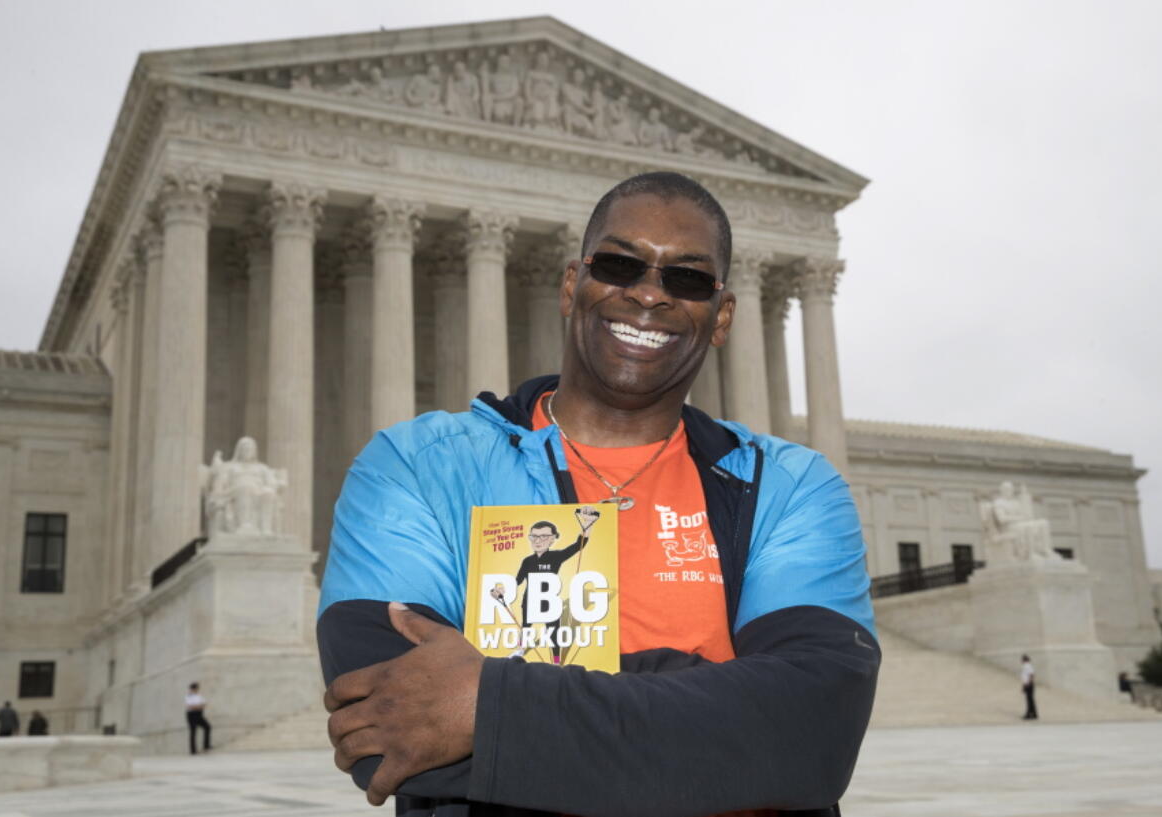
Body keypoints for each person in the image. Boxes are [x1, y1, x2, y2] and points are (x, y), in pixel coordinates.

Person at [318, 171, 879, 816]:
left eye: (686, 279)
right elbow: (382, 723)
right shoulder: (416, 466)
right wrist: (719, 698)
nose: (647, 295)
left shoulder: (790, 486)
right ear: (571, 284)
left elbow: (809, 730)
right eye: (618, 265)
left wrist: (490, 701)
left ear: (721, 317)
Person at [506, 508, 599, 662]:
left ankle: (556, 660)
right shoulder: (527, 560)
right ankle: (520, 649)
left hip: (550, 604)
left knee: (554, 632)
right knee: (526, 627)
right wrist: (502, 588)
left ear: (553, 538)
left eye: (543, 536)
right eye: (534, 536)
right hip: (529, 600)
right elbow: (518, 580)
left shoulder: (556, 556)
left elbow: (578, 546)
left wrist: (588, 525)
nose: (537, 540)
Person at [184, 682, 212, 754]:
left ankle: (206, 746)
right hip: (191, 715)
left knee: (207, 727)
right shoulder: (188, 696)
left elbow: (204, 705)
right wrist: (198, 707)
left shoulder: (199, 696)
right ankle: (193, 750)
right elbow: (190, 706)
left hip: (199, 715)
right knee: (193, 731)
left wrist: (197, 707)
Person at [1021, 654, 1038, 720]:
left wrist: (1028, 683)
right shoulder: (1027, 666)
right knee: (1030, 700)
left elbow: (1031, 675)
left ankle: (1029, 714)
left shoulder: (1027, 666)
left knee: (1029, 700)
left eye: (1022, 659)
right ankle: (1033, 714)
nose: (1021, 661)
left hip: (1029, 684)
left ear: (1024, 660)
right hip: (1028, 684)